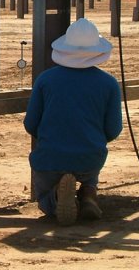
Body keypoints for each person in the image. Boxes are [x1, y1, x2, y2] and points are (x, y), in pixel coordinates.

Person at [23, 18, 122, 226]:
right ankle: (88, 193)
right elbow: (113, 129)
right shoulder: (109, 84)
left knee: (43, 199)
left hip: (49, 157)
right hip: (90, 157)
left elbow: (30, 124)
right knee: (90, 172)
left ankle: (54, 199)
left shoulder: (45, 79)